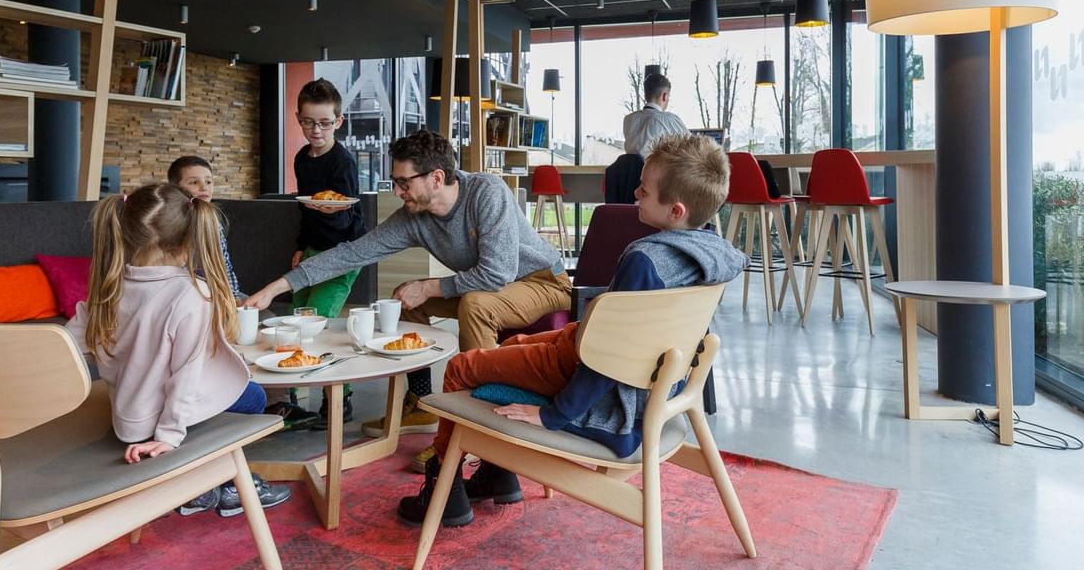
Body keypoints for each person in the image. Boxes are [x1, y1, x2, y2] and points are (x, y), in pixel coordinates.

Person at [395, 133, 748, 528]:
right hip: (644, 375)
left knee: (462, 367)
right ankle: (497, 473)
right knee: (512, 345)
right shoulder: (717, 255)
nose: (635, 192)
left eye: (645, 190)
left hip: (589, 369)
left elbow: (606, 362)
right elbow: (625, 337)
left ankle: (446, 495)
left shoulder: (644, 260)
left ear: (676, 210)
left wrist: (554, 417)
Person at [245, 129, 571, 467]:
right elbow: (352, 253)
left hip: (543, 282)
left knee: (475, 304)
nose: (398, 192)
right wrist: (277, 287)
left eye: (404, 183)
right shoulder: (414, 217)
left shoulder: (486, 193)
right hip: (486, 287)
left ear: (436, 177)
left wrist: (430, 287)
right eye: (395, 182)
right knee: (403, 299)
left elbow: (497, 273)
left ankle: (480, 427)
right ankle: (420, 402)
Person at [67, 183, 291, 519]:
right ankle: (221, 484)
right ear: (189, 241)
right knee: (255, 396)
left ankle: (204, 483)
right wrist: (169, 437)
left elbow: (68, 347)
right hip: (160, 424)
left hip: (127, 419)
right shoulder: (190, 293)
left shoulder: (108, 286)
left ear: (126, 234)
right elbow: (184, 374)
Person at [288, 78, 366, 429]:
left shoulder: (343, 162)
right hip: (314, 250)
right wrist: (301, 247)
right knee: (296, 319)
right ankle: (288, 395)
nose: (315, 130)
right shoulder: (302, 158)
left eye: (323, 122)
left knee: (319, 321)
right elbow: (305, 209)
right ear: (298, 119)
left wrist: (330, 212)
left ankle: (339, 399)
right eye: (308, 122)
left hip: (343, 251)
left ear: (339, 121)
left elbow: (347, 216)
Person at [168, 155, 244, 300]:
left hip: (216, 291)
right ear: (175, 188)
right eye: (194, 182)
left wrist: (233, 298)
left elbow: (224, 266)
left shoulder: (213, 221)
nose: (204, 187)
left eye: (208, 181)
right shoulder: (172, 223)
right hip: (183, 295)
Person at [622, 72, 689, 158]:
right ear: (665, 96)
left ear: (646, 95)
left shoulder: (628, 120)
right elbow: (696, 146)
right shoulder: (669, 120)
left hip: (629, 171)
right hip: (656, 170)